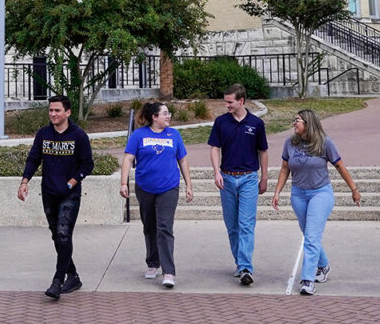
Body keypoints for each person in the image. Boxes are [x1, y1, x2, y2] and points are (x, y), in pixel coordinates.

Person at [270, 108, 361, 295]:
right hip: (298, 194)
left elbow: (340, 166)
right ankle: (323, 266)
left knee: (311, 236)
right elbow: (285, 169)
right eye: (294, 120)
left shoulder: (325, 143)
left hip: (320, 193)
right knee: (308, 233)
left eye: (297, 120)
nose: (294, 123)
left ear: (308, 124)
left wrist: (354, 189)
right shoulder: (290, 143)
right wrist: (277, 192)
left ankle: (307, 280)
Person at [19, 94, 95, 300]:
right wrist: (25, 181)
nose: (53, 114)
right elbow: (34, 158)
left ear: (67, 113)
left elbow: (87, 165)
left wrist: (71, 182)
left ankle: (57, 280)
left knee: (63, 234)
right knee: (57, 236)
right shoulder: (43, 134)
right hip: (49, 193)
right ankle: (73, 276)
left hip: (70, 195)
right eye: (51, 110)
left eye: (57, 110)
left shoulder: (78, 136)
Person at [120, 101, 194, 288]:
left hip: (168, 187)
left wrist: (188, 185)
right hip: (145, 187)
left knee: (165, 228)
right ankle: (153, 263)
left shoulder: (174, 135)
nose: (168, 116)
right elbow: (128, 158)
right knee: (149, 227)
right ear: (154, 117)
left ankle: (168, 271)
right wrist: (123, 183)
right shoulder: (139, 135)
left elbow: (183, 160)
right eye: (165, 113)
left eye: (168, 113)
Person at [207, 83, 267, 285]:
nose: (227, 105)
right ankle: (239, 262)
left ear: (241, 101)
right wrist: (216, 172)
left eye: (230, 102)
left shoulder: (256, 124)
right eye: (225, 101)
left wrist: (264, 177)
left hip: (249, 178)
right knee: (232, 226)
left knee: (246, 225)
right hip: (227, 178)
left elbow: (263, 151)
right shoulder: (221, 122)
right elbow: (215, 148)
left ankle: (245, 268)